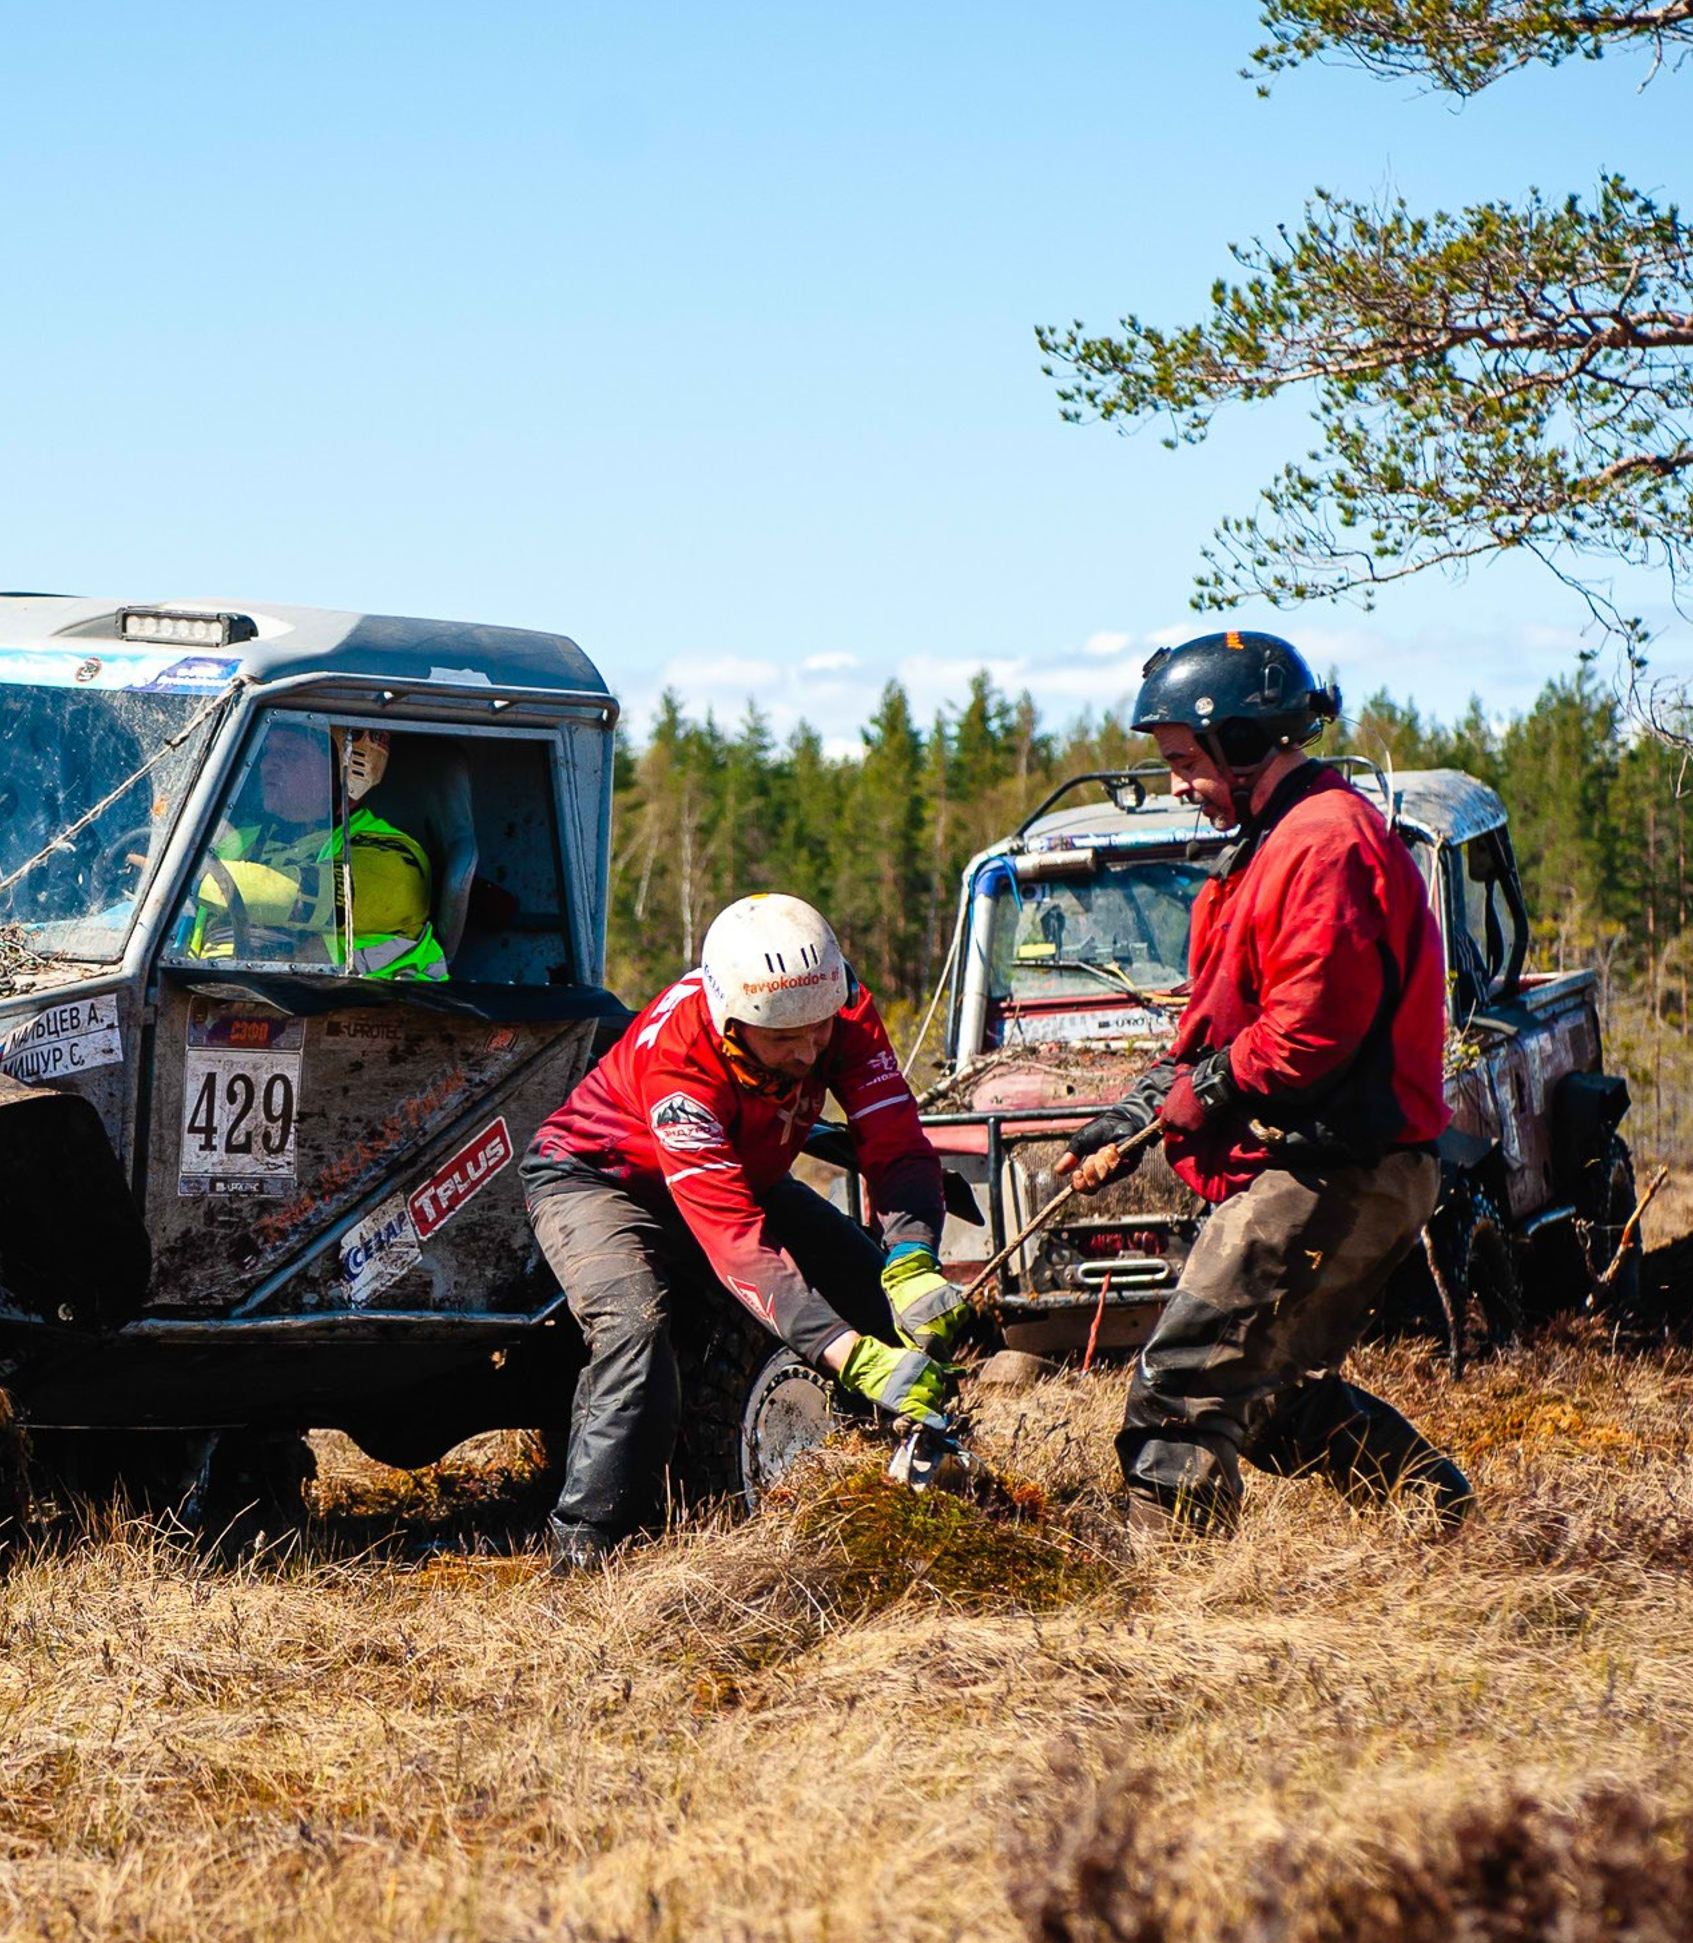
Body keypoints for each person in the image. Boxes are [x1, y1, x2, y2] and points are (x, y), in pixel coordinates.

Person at [1059, 632, 1473, 1535]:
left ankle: (1179, 1593)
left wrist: (1199, 1097)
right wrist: (1123, 1120)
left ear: (1245, 744)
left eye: (1183, 761)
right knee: (1262, 1394)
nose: (1174, 784)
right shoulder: (1272, 842)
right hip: (1321, 1162)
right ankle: (1436, 1509)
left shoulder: (1323, 845)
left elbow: (1307, 1034)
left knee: (1191, 1377)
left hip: (1344, 1165)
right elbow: (1216, 1026)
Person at [524, 893, 974, 1570]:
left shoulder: (839, 1007)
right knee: (637, 1330)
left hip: (743, 1170)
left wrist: (911, 1258)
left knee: (880, 1304)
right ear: (731, 1023)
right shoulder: (679, 1064)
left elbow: (896, 1141)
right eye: (783, 1040)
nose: (807, 1051)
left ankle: (919, 1487)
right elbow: (736, 1240)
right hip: (600, 1180)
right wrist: (844, 1354)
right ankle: (588, 1544)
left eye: (817, 1032)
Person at [189, 721, 448, 980]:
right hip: (219, 991)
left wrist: (183, 877)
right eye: (268, 751)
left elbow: (304, 899)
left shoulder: (397, 857)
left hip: (362, 1007)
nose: (267, 764)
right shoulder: (243, 838)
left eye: (290, 754)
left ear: (351, 768)